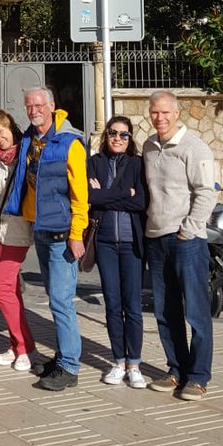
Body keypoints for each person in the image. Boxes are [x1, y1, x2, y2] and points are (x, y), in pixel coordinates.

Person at [5, 87, 88, 392]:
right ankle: (63, 356)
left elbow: (81, 196)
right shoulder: (30, 138)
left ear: (52, 105)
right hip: (40, 230)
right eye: (29, 105)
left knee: (61, 302)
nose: (34, 110)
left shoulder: (70, 143)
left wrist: (77, 234)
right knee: (55, 300)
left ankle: (69, 367)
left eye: (39, 104)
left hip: (63, 234)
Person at [143, 91, 216, 400]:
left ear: (177, 112)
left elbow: (206, 193)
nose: (160, 118)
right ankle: (176, 370)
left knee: (196, 312)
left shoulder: (194, 147)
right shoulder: (148, 146)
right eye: (155, 113)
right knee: (165, 311)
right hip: (156, 238)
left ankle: (198, 377)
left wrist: (188, 230)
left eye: (165, 113)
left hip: (186, 240)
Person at [0, 109, 43, 373]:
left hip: (16, 228)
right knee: (11, 291)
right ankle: (20, 346)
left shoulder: (24, 154)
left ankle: (24, 348)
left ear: (11, 128)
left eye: (1, 132)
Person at [87, 116, 147, 389]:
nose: (118, 138)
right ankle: (118, 361)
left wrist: (109, 194)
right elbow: (91, 198)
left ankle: (134, 364)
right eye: (113, 133)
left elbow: (141, 202)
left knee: (132, 305)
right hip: (106, 244)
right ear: (106, 135)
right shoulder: (94, 163)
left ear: (130, 138)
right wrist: (124, 193)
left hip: (132, 244)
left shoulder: (137, 164)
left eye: (124, 134)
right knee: (112, 303)